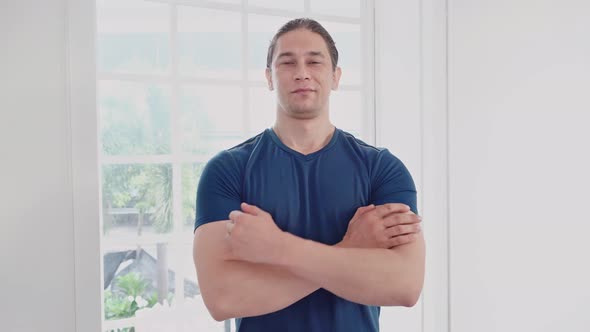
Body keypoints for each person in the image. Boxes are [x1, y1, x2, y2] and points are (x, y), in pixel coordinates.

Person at [193, 18, 425, 332]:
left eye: (314, 61)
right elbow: (222, 298)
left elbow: (404, 285)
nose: (302, 72)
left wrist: (278, 248)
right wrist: (350, 250)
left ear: (335, 76)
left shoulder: (382, 169)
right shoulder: (227, 170)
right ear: (269, 77)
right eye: (287, 62)